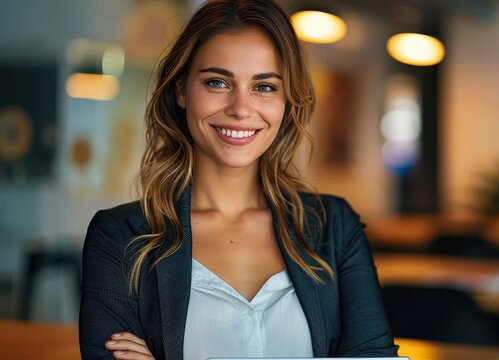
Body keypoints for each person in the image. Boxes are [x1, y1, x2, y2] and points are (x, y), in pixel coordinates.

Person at [79, 1, 398, 359]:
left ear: (286, 101)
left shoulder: (334, 227)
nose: (241, 108)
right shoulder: (121, 236)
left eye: (264, 87)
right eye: (217, 82)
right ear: (182, 90)